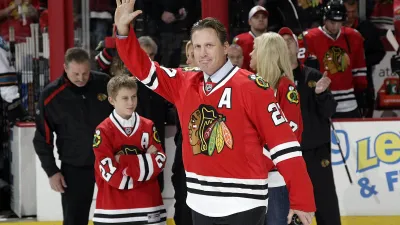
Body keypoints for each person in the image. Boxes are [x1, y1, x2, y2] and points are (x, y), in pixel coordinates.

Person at [114, 1, 316, 225]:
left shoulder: (252, 87)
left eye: (209, 45)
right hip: (200, 202)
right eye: (198, 47)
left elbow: (285, 147)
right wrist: (124, 34)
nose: (203, 53)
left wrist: (302, 200)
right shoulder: (184, 82)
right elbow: (144, 69)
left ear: (226, 47)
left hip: (244, 203)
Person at [33, 47, 113, 225]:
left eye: (85, 73)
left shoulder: (104, 83)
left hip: (110, 162)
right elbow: (42, 138)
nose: (81, 78)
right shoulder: (51, 96)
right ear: (65, 68)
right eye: (76, 74)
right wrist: (52, 171)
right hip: (75, 167)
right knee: (75, 219)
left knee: (117, 214)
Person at [279, 27, 341, 225]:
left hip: (316, 153)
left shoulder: (313, 76)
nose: (287, 43)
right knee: (291, 209)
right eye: (283, 41)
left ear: (298, 49)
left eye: (291, 41)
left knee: (326, 205)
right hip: (288, 155)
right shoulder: (272, 80)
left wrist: (322, 94)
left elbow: (329, 111)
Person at [92, 75, 167, 225]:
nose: (131, 102)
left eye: (134, 97)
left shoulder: (148, 126)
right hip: (112, 210)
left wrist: (123, 160)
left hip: (148, 206)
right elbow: (111, 174)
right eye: (125, 98)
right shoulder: (103, 131)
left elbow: (159, 162)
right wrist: (145, 160)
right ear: (112, 100)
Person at [249, 32, 303, 225]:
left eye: (255, 49)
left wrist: (255, 162)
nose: (250, 54)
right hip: (254, 182)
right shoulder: (254, 87)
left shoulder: (286, 89)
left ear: (266, 54)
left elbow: (288, 136)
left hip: (275, 182)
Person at [302, 0, 367, 118]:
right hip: (321, 101)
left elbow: (359, 70)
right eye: (332, 22)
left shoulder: (354, 36)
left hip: (349, 103)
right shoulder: (308, 38)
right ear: (324, 19)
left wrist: (361, 94)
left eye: (339, 22)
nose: (336, 26)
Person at [171, 40, 197, 225]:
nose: (190, 60)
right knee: (183, 202)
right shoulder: (179, 84)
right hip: (184, 154)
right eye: (189, 55)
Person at [233, 5, 268, 71]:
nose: (261, 19)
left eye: (264, 17)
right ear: (249, 21)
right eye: (256, 17)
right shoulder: (240, 40)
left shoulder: (273, 40)